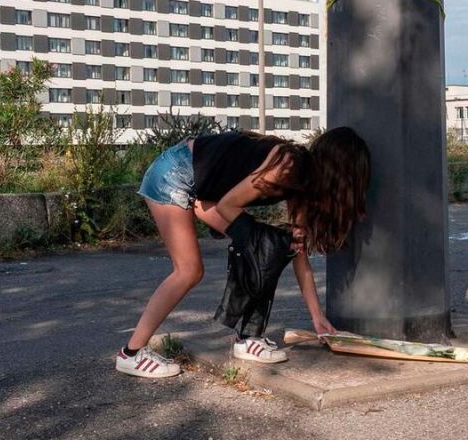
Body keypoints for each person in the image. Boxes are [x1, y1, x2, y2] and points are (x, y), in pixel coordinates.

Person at [115, 127, 370, 378]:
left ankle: (248, 339)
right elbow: (228, 205)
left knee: (277, 247)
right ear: (339, 175)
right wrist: (262, 240)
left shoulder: (301, 182)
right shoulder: (288, 165)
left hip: (201, 184)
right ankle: (131, 354)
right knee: (190, 271)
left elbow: (298, 253)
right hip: (175, 174)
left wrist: (318, 317)